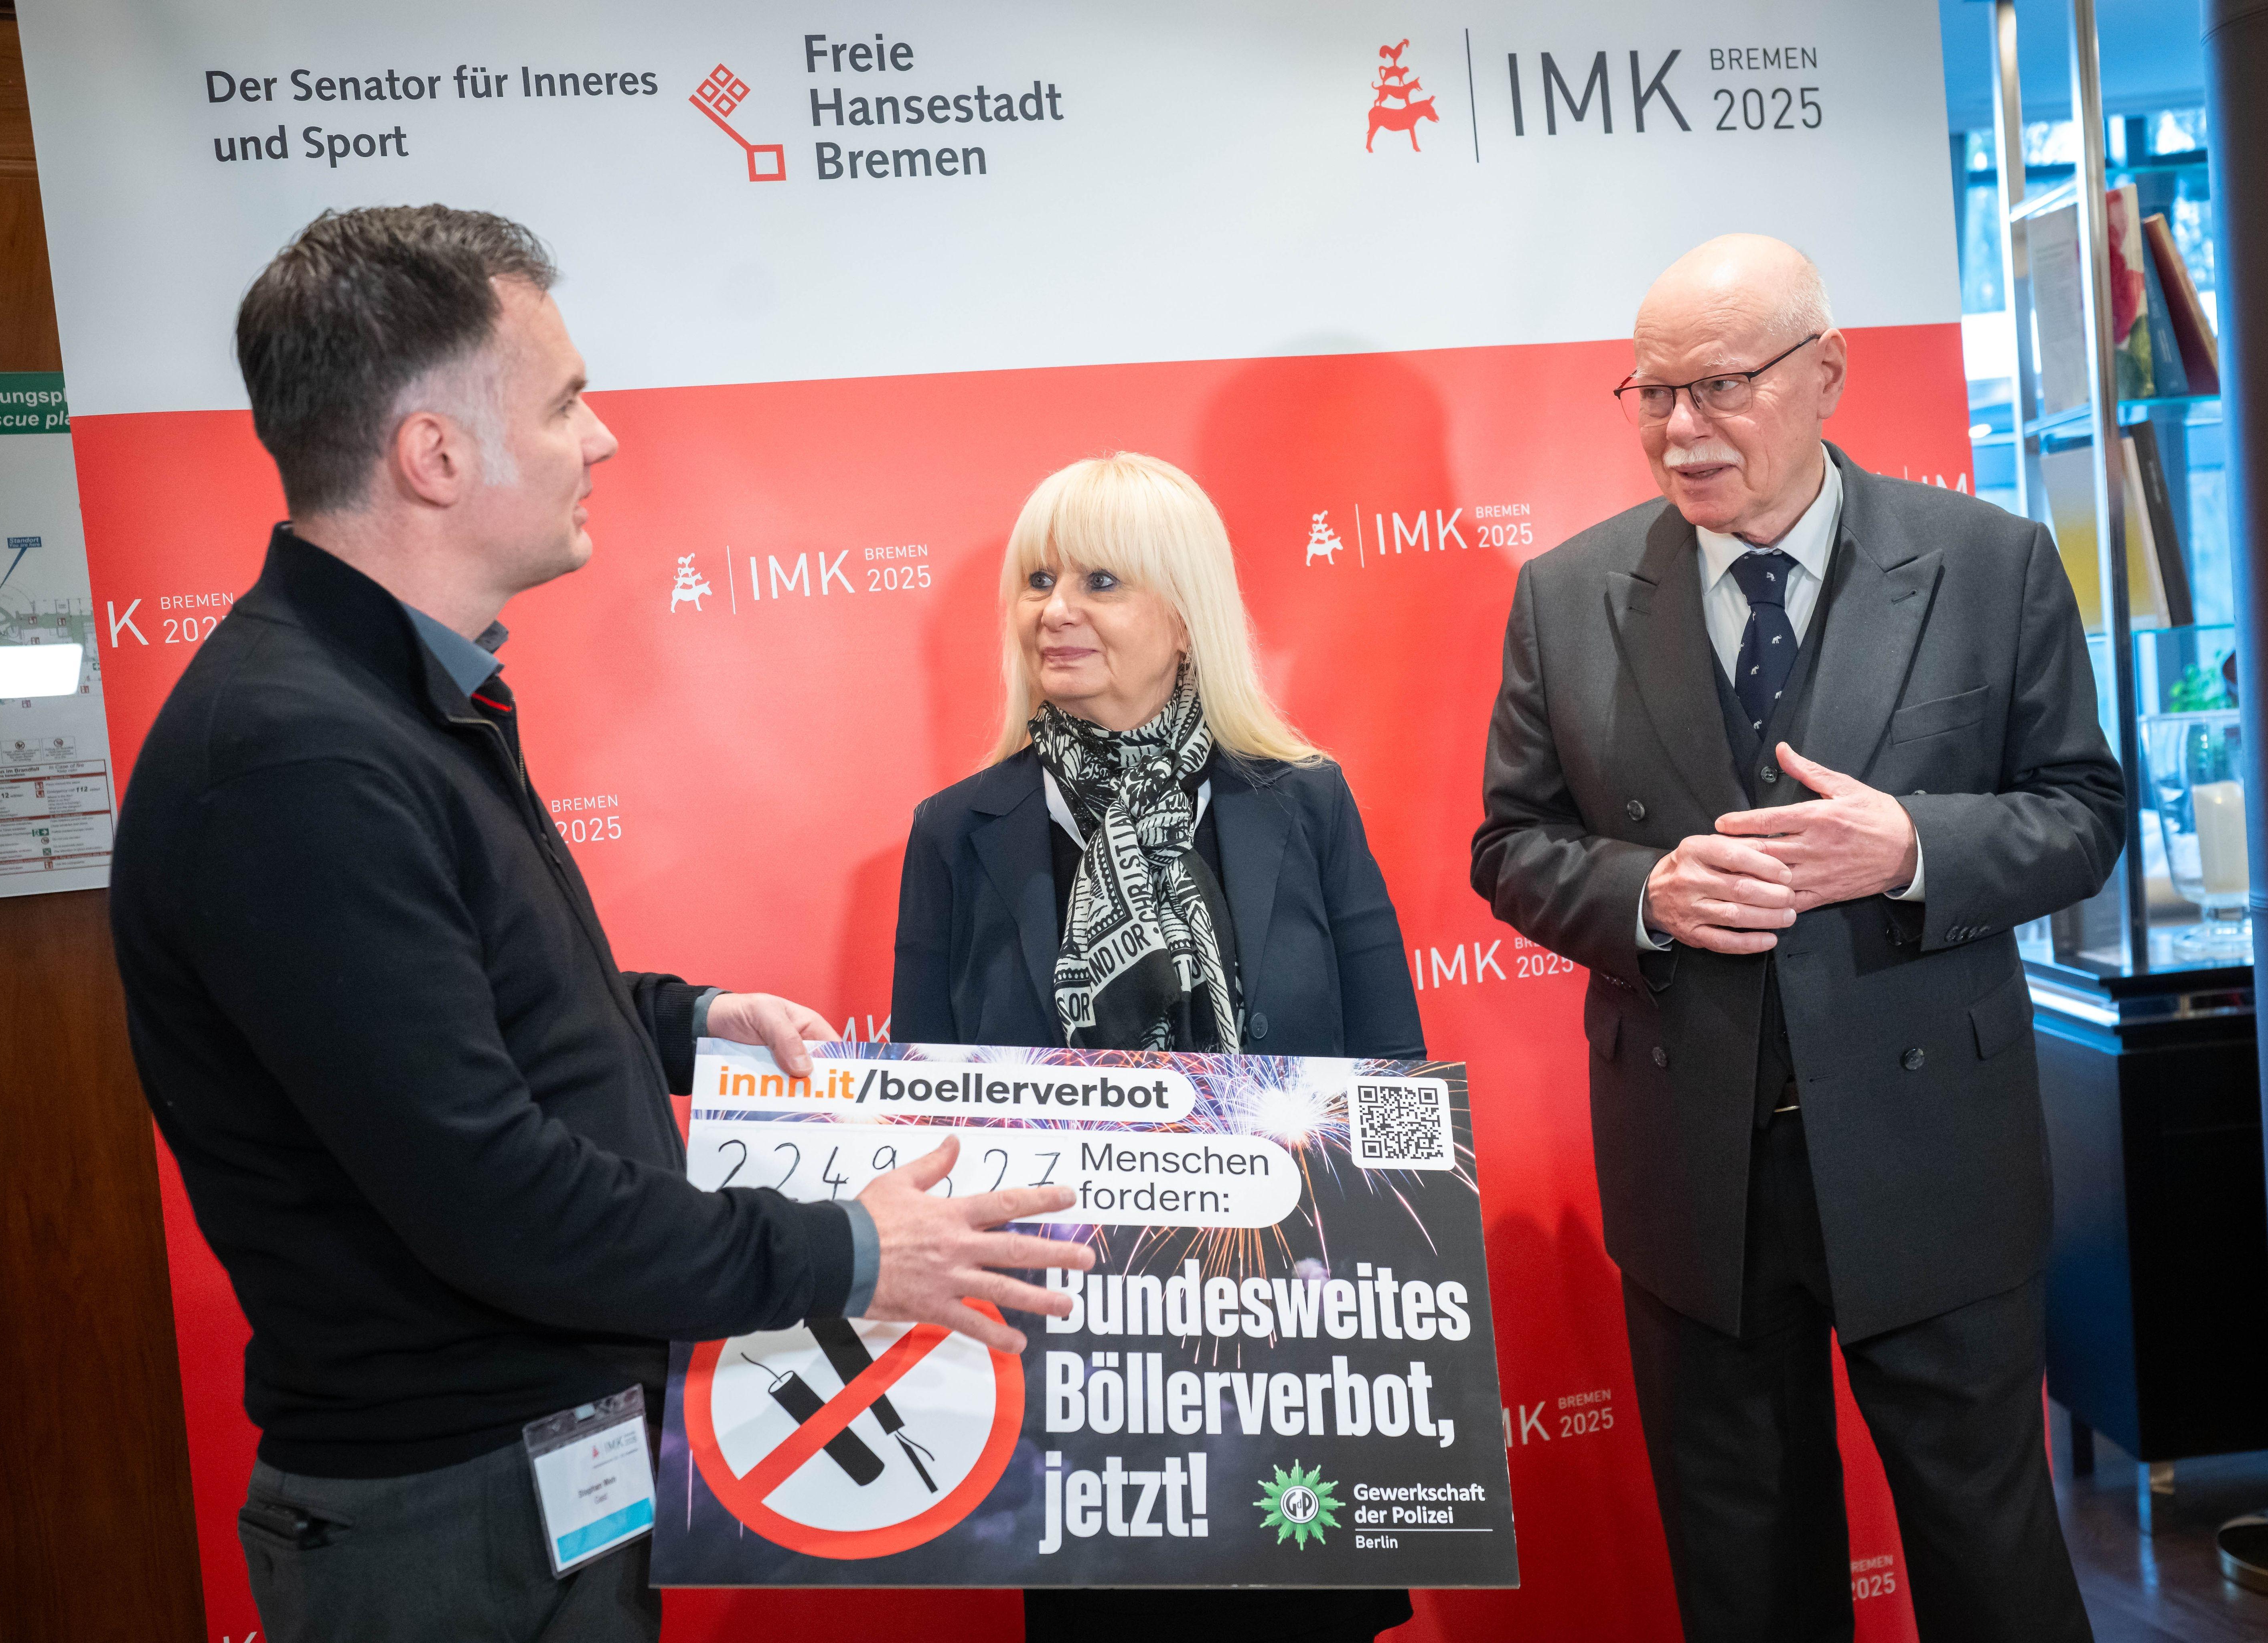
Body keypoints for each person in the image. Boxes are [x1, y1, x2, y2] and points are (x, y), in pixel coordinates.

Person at [110, 205, 1092, 1643]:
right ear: (435, 457)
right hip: (450, 1518)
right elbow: (490, 1189)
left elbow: (471, 1005)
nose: (604, 438)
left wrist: (685, 1023)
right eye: (564, 402)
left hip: (532, 1475)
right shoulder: (298, 758)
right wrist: (850, 1252)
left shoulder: (389, 699)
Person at [1471, 234, 2125, 1642]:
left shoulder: (1988, 564)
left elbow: (2082, 814)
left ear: (1827, 372)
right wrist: (1647, 895)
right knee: (1747, 1581)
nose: (1681, 429)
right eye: (1653, 393)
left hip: (1934, 1157)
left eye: (1719, 386)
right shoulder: (1568, 595)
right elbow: (1510, 845)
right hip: (1696, 1173)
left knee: (1992, 1564)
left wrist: (1913, 849)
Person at [891, 452, 1421, 1641]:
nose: (1055, 611)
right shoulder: (957, 834)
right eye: (1039, 581)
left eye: (1100, 581)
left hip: (1299, 1356)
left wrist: (1393, 1288)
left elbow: (1392, 1076)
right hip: (1075, 1381)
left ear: (1185, 617)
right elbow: (929, 1120)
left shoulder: (1306, 802)